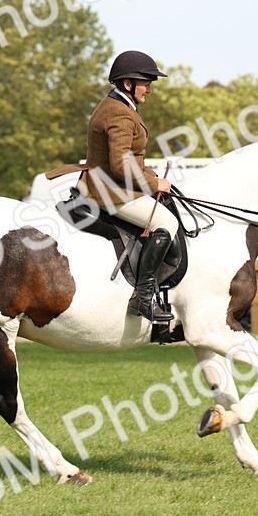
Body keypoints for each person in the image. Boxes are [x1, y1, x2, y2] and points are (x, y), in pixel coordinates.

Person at [79, 50, 177, 322]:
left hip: (113, 185)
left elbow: (132, 159)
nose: (149, 89)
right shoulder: (119, 114)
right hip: (110, 191)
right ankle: (143, 299)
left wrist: (153, 177)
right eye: (146, 83)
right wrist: (153, 182)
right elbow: (121, 165)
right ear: (128, 84)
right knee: (167, 224)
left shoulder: (119, 107)